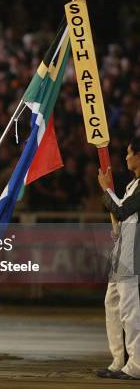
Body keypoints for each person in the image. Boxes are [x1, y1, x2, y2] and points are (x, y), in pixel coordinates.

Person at [96, 138, 140, 381]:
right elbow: (122, 215)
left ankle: (136, 364)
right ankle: (119, 360)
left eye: (129, 153)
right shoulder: (134, 184)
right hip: (122, 249)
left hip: (133, 252)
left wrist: (105, 189)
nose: (126, 158)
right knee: (112, 305)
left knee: (130, 310)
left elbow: (122, 211)